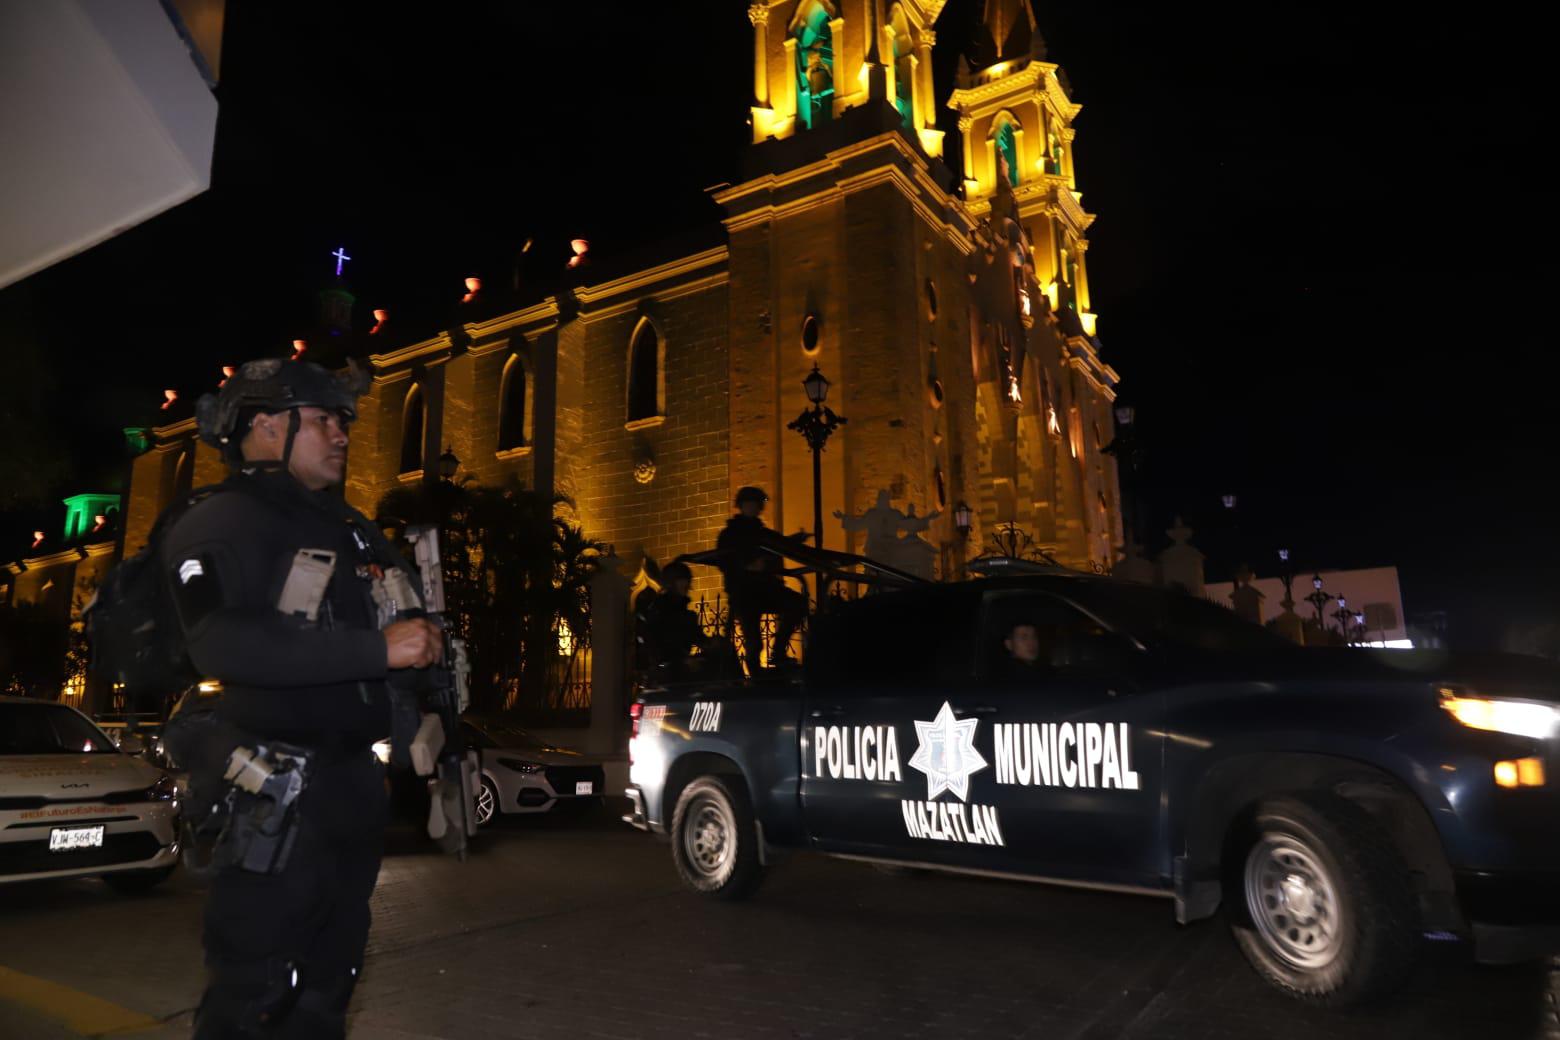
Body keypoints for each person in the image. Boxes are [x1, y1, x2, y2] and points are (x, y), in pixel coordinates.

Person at [166, 358, 443, 1038]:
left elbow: (389, 625)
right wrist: (378, 650)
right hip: (272, 787)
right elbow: (222, 645)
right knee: (257, 990)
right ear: (266, 426)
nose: (341, 434)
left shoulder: (347, 527)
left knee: (327, 988)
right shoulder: (224, 519)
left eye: (342, 422)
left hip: (349, 788)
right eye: (322, 420)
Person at [715, 487, 807, 673]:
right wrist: (747, 565)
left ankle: (778, 652)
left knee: (797, 603)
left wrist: (796, 540)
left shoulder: (763, 533)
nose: (753, 507)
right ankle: (756, 675)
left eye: (756, 504)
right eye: (749, 503)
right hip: (744, 592)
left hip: (766, 588)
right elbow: (722, 559)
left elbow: (782, 544)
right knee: (754, 641)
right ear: (741, 506)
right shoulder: (729, 534)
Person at [641, 561, 714, 672]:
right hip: (667, 670)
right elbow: (655, 643)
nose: (686, 584)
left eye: (687, 579)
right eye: (681, 580)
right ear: (671, 582)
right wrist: (681, 660)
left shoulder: (687, 614)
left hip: (682, 666)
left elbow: (697, 637)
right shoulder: (659, 609)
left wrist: (712, 644)